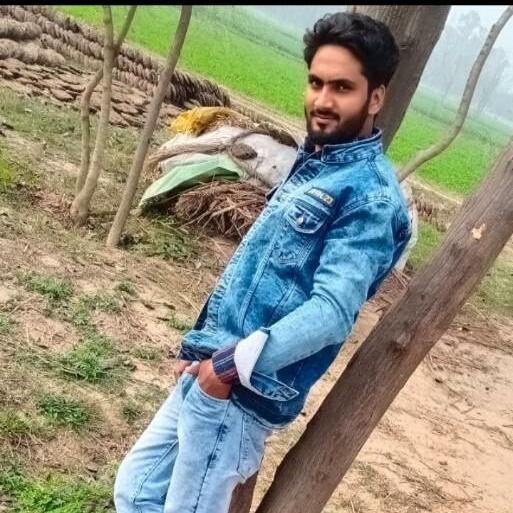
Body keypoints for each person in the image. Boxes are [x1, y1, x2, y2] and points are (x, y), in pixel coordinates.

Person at [114, 11, 411, 513]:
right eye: (316, 82)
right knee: (136, 490)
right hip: (210, 372)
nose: (322, 100)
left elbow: (332, 312)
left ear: (375, 97)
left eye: (342, 87)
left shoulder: (370, 198)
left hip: (238, 391)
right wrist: (205, 350)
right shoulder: (316, 164)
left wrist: (226, 367)